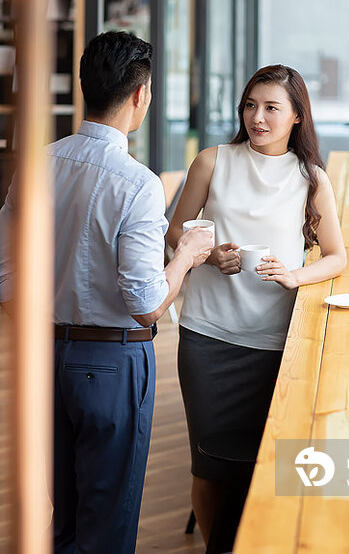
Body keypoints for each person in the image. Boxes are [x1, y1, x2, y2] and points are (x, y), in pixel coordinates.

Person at [0, 31, 213, 553]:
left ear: (84, 88)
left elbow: (3, 273)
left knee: (65, 516)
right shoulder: (137, 183)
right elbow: (145, 308)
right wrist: (186, 254)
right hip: (111, 366)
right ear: (140, 95)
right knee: (109, 526)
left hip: (42, 357)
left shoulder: (36, 162)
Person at [167, 64, 347, 544]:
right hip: (207, 336)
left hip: (273, 341)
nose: (258, 118)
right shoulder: (212, 161)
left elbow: (336, 256)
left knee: (265, 462)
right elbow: (174, 234)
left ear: (296, 117)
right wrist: (208, 256)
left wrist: (294, 276)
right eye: (251, 105)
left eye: (271, 108)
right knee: (208, 467)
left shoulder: (312, 178)